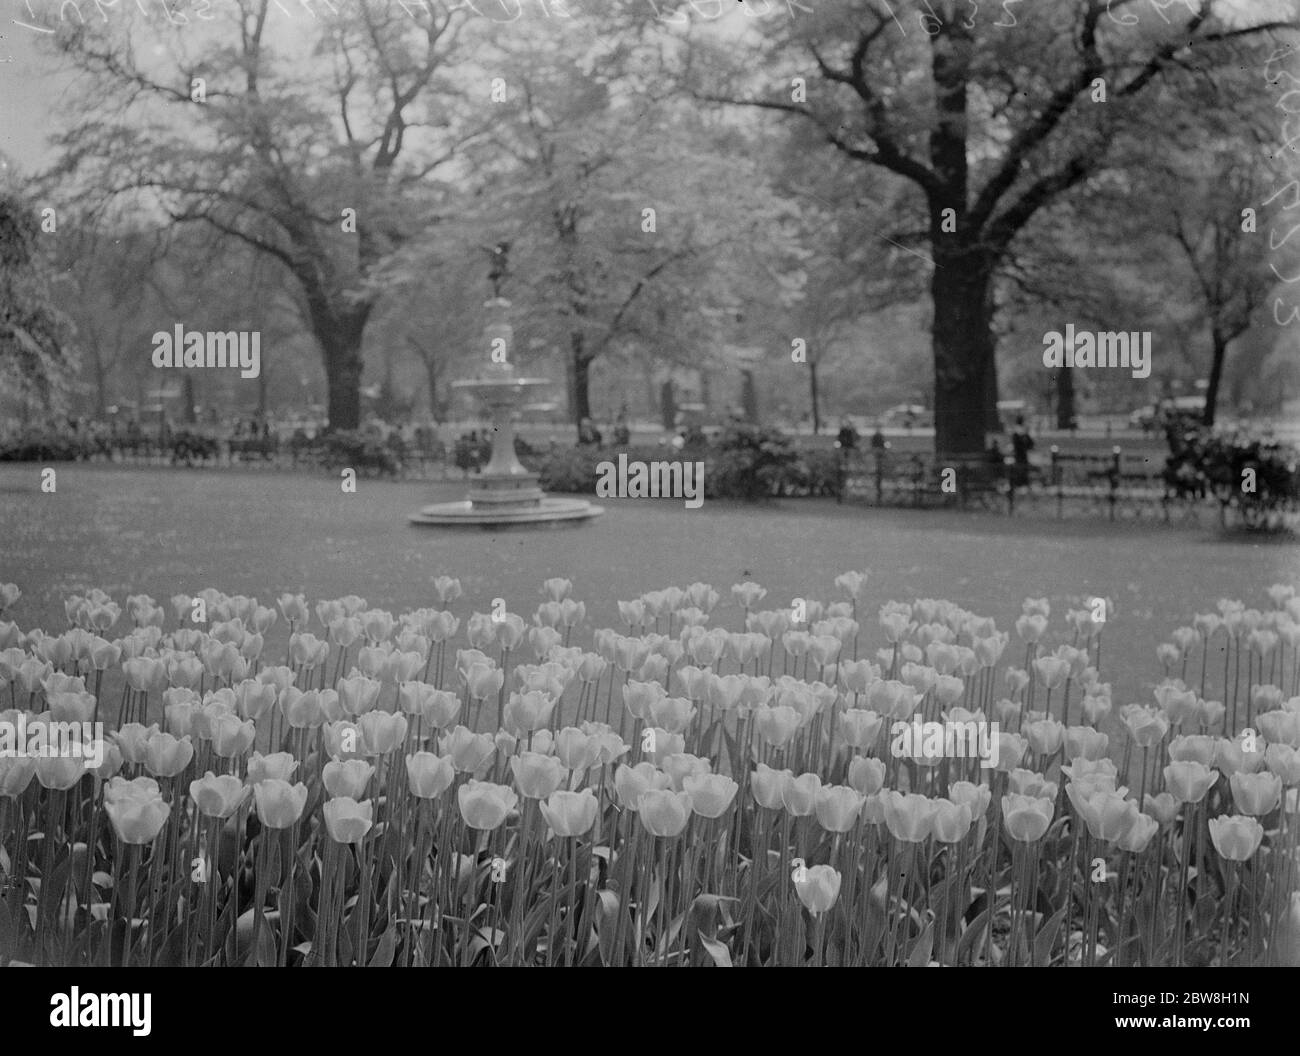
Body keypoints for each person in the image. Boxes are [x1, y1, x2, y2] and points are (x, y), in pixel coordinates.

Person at [1010, 416, 1034, 488]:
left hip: (1019, 455)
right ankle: (1022, 482)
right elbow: (1030, 444)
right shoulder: (1022, 432)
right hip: (1022, 454)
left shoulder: (1016, 432)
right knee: (1022, 468)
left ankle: (1020, 482)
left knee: (1020, 468)